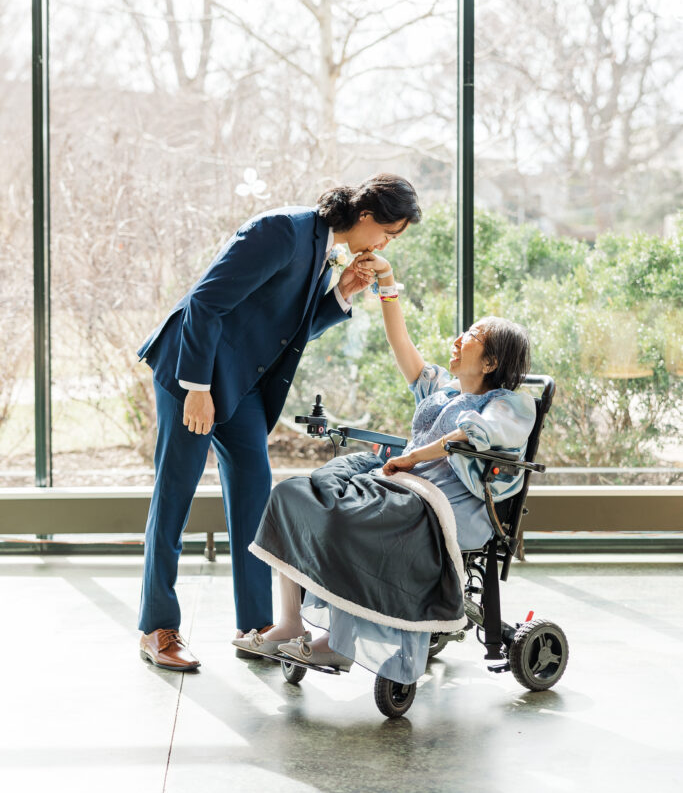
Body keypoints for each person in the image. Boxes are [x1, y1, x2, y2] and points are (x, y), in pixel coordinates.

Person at [137, 174, 421, 671]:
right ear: (368, 217)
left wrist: (343, 293)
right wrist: (197, 390)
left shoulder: (321, 249)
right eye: (389, 234)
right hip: (193, 375)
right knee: (174, 496)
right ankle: (157, 627)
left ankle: (255, 625)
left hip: (240, 385)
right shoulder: (282, 231)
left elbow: (285, 331)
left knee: (254, 498)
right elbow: (206, 302)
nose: (383, 245)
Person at [236, 251, 535, 685]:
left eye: (471, 336)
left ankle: (339, 644)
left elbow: (475, 436)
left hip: (442, 508)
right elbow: (402, 345)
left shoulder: (508, 404)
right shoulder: (444, 392)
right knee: (290, 495)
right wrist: (388, 285)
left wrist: (413, 457)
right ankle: (289, 622)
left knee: (344, 522)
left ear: (490, 362)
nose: (457, 340)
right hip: (398, 488)